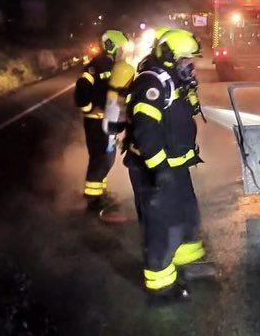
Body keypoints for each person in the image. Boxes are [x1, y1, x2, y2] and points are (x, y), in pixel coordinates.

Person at [123, 28, 213, 300]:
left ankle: (186, 260)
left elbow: (184, 111)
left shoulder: (173, 79)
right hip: (156, 168)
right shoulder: (151, 83)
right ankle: (161, 286)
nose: (190, 65)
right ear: (169, 57)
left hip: (175, 165)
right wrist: (160, 170)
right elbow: (146, 132)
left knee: (186, 212)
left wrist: (191, 91)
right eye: (186, 60)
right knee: (162, 224)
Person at [74, 29, 128, 212]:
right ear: (111, 45)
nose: (122, 51)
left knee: (108, 158)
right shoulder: (94, 66)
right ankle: (92, 199)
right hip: (96, 122)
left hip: (107, 121)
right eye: (120, 47)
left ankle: (100, 192)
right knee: (100, 158)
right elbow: (81, 91)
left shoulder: (112, 65)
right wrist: (90, 108)